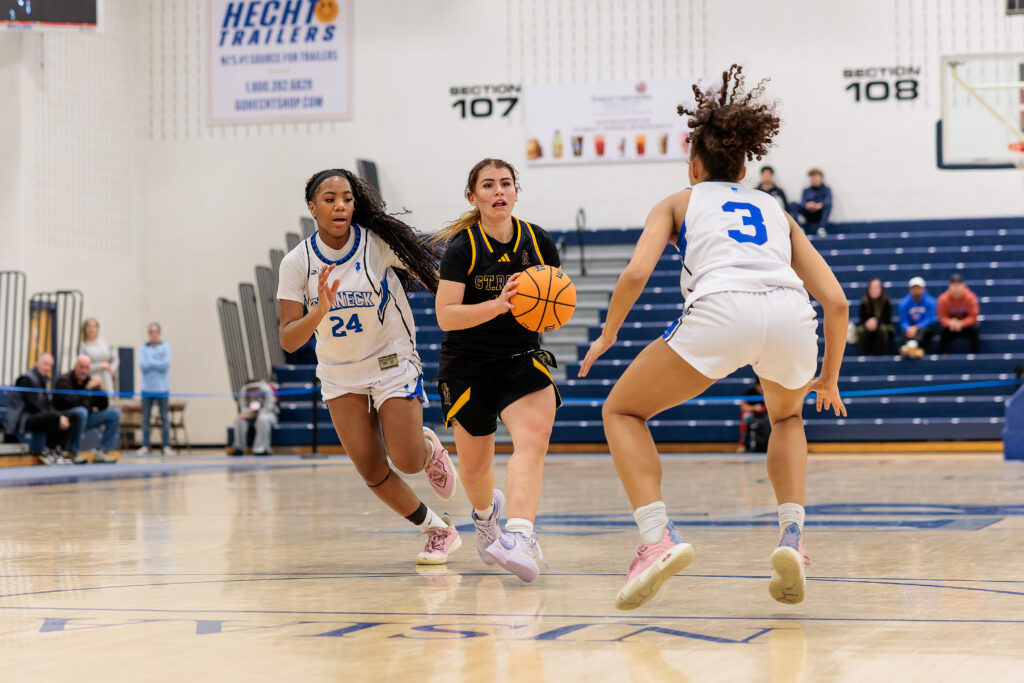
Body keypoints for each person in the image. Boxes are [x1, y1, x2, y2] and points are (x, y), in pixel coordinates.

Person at [579, 65, 848, 609]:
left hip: (722, 308)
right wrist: (829, 378)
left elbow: (634, 274)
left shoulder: (680, 200)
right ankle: (791, 537)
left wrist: (608, 333)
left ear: (695, 165)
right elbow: (838, 302)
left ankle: (658, 538)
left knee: (622, 413)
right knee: (787, 418)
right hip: (792, 316)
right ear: (746, 165)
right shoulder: (776, 208)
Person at [277, 167, 462, 565]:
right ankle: (437, 530)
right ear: (312, 207)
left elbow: (435, 276)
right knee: (371, 470)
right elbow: (289, 339)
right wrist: (319, 310)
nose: (340, 205)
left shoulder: (376, 244)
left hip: (390, 361)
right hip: (340, 372)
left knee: (407, 461)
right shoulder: (296, 263)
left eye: (346, 198)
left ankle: (428, 450)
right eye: (330, 199)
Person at [433, 158, 562, 583]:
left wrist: (547, 308)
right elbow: (446, 317)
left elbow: (554, 302)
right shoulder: (462, 248)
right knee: (473, 467)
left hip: (520, 355)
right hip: (467, 362)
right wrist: (497, 304)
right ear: (474, 197)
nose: (499, 191)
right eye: (488, 185)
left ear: (516, 192)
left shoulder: (538, 241)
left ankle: (521, 534)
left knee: (534, 436)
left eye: (506, 184)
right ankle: (487, 518)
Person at [4, 354, 79, 465]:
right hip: (24, 419)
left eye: (50, 365)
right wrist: (57, 416)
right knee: (54, 417)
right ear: (37, 363)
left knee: (73, 416)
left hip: (38, 416)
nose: (47, 368)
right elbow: (33, 406)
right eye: (45, 364)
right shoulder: (26, 379)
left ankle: (60, 451)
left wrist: (59, 416)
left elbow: (47, 406)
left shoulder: (42, 380)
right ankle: (48, 452)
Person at [52, 354, 121, 463]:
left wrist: (100, 390)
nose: (84, 371)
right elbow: (72, 402)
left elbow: (103, 406)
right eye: (81, 367)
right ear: (75, 366)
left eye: (87, 368)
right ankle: (73, 452)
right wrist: (87, 389)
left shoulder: (88, 381)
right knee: (81, 412)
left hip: (87, 417)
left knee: (114, 413)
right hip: (68, 418)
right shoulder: (64, 380)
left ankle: (103, 451)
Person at [138, 323, 173, 454]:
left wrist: (150, 361)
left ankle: (166, 446)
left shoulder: (166, 347)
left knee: (164, 417)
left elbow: (165, 365)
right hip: (147, 388)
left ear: (159, 333)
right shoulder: (143, 348)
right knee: (145, 418)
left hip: (162, 388)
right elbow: (142, 366)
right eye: (151, 331)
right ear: (149, 333)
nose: (153, 334)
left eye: (155, 331)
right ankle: (145, 446)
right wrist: (157, 361)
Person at [230, 378, 278, 455]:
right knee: (239, 420)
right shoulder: (244, 392)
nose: (253, 391)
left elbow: (269, 408)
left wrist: (254, 413)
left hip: (267, 415)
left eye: (255, 389)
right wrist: (249, 413)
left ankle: (261, 449)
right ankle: (239, 448)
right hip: (251, 416)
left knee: (262, 419)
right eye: (251, 390)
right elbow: (243, 408)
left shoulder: (267, 391)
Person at [937, 274, 981, 354]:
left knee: (975, 329)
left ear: (963, 285)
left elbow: (973, 316)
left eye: (958, 284)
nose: (956, 287)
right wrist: (949, 323)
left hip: (966, 327)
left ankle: (975, 355)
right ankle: (943, 355)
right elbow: (942, 317)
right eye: (954, 284)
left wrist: (962, 323)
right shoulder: (943, 299)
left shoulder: (970, 297)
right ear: (950, 286)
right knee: (942, 330)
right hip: (951, 327)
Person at [898, 277, 937, 359]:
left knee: (923, 331)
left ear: (923, 289)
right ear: (910, 289)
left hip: (924, 329)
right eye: (914, 288)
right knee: (903, 333)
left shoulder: (930, 301)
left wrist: (916, 327)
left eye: (918, 288)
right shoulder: (904, 303)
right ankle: (915, 351)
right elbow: (903, 321)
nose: (916, 290)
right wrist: (909, 328)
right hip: (910, 329)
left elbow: (929, 319)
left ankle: (909, 349)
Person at [78, 318, 119, 395]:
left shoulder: (105, 343)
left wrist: (112, 368)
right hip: (92, 378)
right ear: (85, 329)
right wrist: (100, 365)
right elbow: (82, 367)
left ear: (97, 328)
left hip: (107, 377)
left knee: (108, 400)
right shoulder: (83, 346)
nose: (91, 329)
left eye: (93, 326)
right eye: (89, 326)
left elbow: (115, 358)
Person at [788, 168, 832, 236]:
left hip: (819, 214)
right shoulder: (806, 190)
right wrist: (807, 205)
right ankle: (799, 228)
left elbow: (828, 200)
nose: (814, 179)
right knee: (793, 204)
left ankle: (821, 228)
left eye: (816, 177)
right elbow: (802, 202)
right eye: (813, 177)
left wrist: (818, 205)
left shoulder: (826, 189)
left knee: (828, 205)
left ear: (821, 178)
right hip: (808, 213)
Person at [857, 278, 894, 355]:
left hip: (882, 329)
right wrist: (867, 324)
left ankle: (884, 355)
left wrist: (876, 323)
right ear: (868, 289)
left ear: (881, 289)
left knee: (883, 330)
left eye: (877, 287)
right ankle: (865, 355)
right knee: (861, 330)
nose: (874, 290)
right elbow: (861, 321)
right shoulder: (864, 302)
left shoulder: (886, 301)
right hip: (868, 330)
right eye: (872, 287)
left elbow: (887, 320)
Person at [738, 380, 769, 453]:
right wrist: (754, 408)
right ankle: (742, 444)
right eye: (760, 386)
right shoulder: (750, 392)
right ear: (756, 386)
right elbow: (743, 407)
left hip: (766, 414)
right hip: (753, 415)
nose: (761, 389)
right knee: (745, 417)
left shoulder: (769, 392)